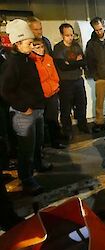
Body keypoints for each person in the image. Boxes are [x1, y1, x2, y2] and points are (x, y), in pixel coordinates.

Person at [0, 19, 46, 195]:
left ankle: (39, 166)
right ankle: (27, 180)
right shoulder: (12, 63)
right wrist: (23, 107)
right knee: (26, 149)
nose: (32, 45)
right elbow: (5, 91)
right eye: (29, 43)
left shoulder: (27, 59)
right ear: (17, 43)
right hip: (23, 114)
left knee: (36, 144)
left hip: (36, 109)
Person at [53, 23, 89, 141]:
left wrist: (71, 63)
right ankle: (67, 130)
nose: (70, 37)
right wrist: (76, 62)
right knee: (66, 108)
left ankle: (82, 125)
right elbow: (62, 66)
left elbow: (83, 62)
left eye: (72, 34)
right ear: (62, 35)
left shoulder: (76, 46)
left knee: (81, 104)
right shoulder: (58, 48)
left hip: (78, 80)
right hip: (65, 82)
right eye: (67, 35)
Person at [30, 38, 65, 149]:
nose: (41, 49)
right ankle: (42, 146)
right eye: (37, 47)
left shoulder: (48, 58)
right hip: (40, 96)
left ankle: (55, 142)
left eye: (41, 47)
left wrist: (55, 86)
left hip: (52, 94)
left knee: (53, 120)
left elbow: (54, 75)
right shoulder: (31, 61)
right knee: (40, 121)